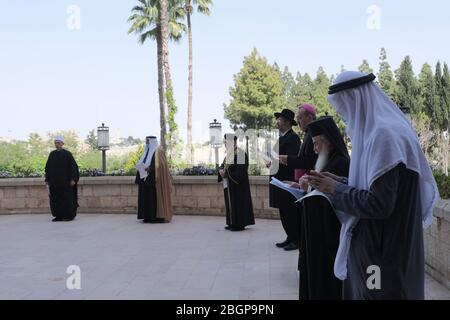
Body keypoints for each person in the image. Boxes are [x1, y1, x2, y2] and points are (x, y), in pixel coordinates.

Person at [307, 71, 440, 300]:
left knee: (375, 292)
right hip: (381, 247)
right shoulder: (383, 130)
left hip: (380, 255)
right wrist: (342, 182)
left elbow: (379, 204)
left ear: (355, 99)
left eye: (344, 106)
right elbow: (379, 187)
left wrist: (334, 189)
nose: (344, 114)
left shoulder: (383, 135)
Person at [289, 116, 350, 300]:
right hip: (316, 234)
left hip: (328, 234)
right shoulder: (327, 160)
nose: (314, 149)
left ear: (329, 142)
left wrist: (309, 188)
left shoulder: (340, 162)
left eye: (316, 144)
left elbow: (335, 199)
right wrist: (302, 187)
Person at [268, 109, 301, 251]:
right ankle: (289, 237)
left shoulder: (293, 138)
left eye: (279, 120)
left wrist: (275, 161)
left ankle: (296, 240)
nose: (277, 122)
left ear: (287, 122)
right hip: (278, 179)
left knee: (290, 212)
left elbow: (292, 159)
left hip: (286, 180)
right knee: (283, 211)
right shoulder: (282, 138)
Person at [218, 134, 255, 231]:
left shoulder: (240, 154)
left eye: (227, 142)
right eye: (225, 142)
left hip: (238, 185)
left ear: (234, 142)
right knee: (230, 203)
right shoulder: (229, 154)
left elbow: (241, 170)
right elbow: (223, 166)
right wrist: (221, 170)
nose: (226, 144)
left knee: (238, 203)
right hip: (229, 184)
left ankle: (239, 224)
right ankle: (231, 222)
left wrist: (226, 172)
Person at [135, 136, 173, 223]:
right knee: (145, 198)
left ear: (152, 142)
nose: (147, 143)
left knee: (154, 199)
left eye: (148, 142)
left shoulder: (158, 152)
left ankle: (156, 217)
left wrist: (150, 168)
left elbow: (162, 165)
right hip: (144, 180)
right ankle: (147, 216)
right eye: (146, 142)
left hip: (154, 181)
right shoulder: (146, 152)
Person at [45, 136, 79, 222]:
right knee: (56, 200)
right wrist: (47, 179)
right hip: (54, 183)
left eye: (59, 143)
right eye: (56, 143)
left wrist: (73, 179)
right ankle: (58, 216)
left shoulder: (67, 154)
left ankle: (69, 216)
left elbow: (73, 167)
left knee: (67, 199)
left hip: (66, 183)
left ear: (62, 144)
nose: (57, 144)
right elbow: (48, 168)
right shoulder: (52, 154)